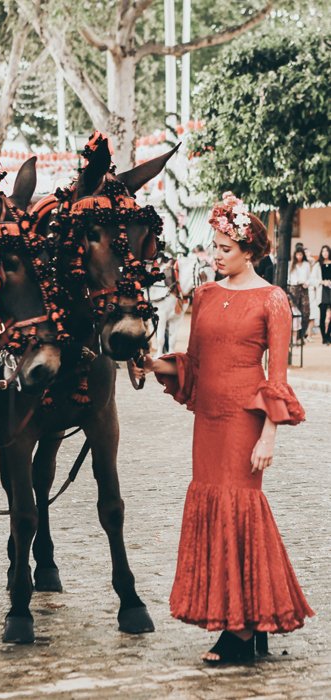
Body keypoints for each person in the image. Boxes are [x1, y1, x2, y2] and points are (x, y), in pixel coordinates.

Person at [135, 191, 314, 664]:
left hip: (244, 421)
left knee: (240, 509)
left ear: (250, 252)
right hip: (209, 421)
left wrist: (269, 434)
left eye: (225, 249)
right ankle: (250, 625)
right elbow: (194, 365)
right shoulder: (205, 295)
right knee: (216, 506)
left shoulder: (274, 300)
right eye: (213, 247)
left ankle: (239, 633)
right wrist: (153, 364)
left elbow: (277, 377)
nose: (215, 256)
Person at [288, 248, 311, 342]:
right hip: (294, 288)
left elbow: (309, 277)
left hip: (304, 288)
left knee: (305, 312)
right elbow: (289, 278)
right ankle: (293, 337)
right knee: (294, 312)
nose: (299, 257)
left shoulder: (306, 265)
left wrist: (307, 283)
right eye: (297, 255)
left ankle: (301, 335)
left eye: (301, 255)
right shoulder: (291, 264)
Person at [311, 244, 331, 345]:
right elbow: (313, 279)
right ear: (321, 253)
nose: (325, 253)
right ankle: (324, 337)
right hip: (322, 292)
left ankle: (328, 335)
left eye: (327, 251)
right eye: (323, 251)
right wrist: (322, 282)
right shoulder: (317, 265)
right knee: (322, 316)